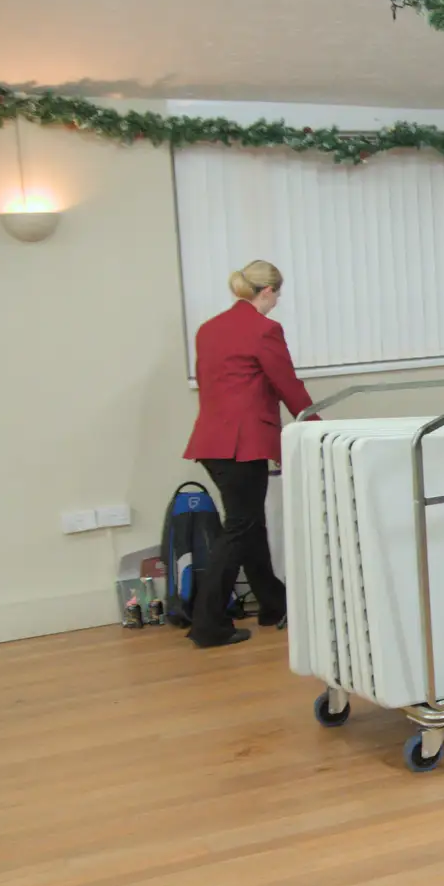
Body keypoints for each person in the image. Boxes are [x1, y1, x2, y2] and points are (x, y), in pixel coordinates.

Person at [182, 260, 316, 648]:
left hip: (212, 442)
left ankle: (274, 603)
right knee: (241, 527)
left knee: (249, 524)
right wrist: (315, 422)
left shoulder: (209, 329)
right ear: (269, 291)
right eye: (278, 293)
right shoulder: (264, 330)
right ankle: (207, 623)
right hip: (243, 443)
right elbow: (287, 383)